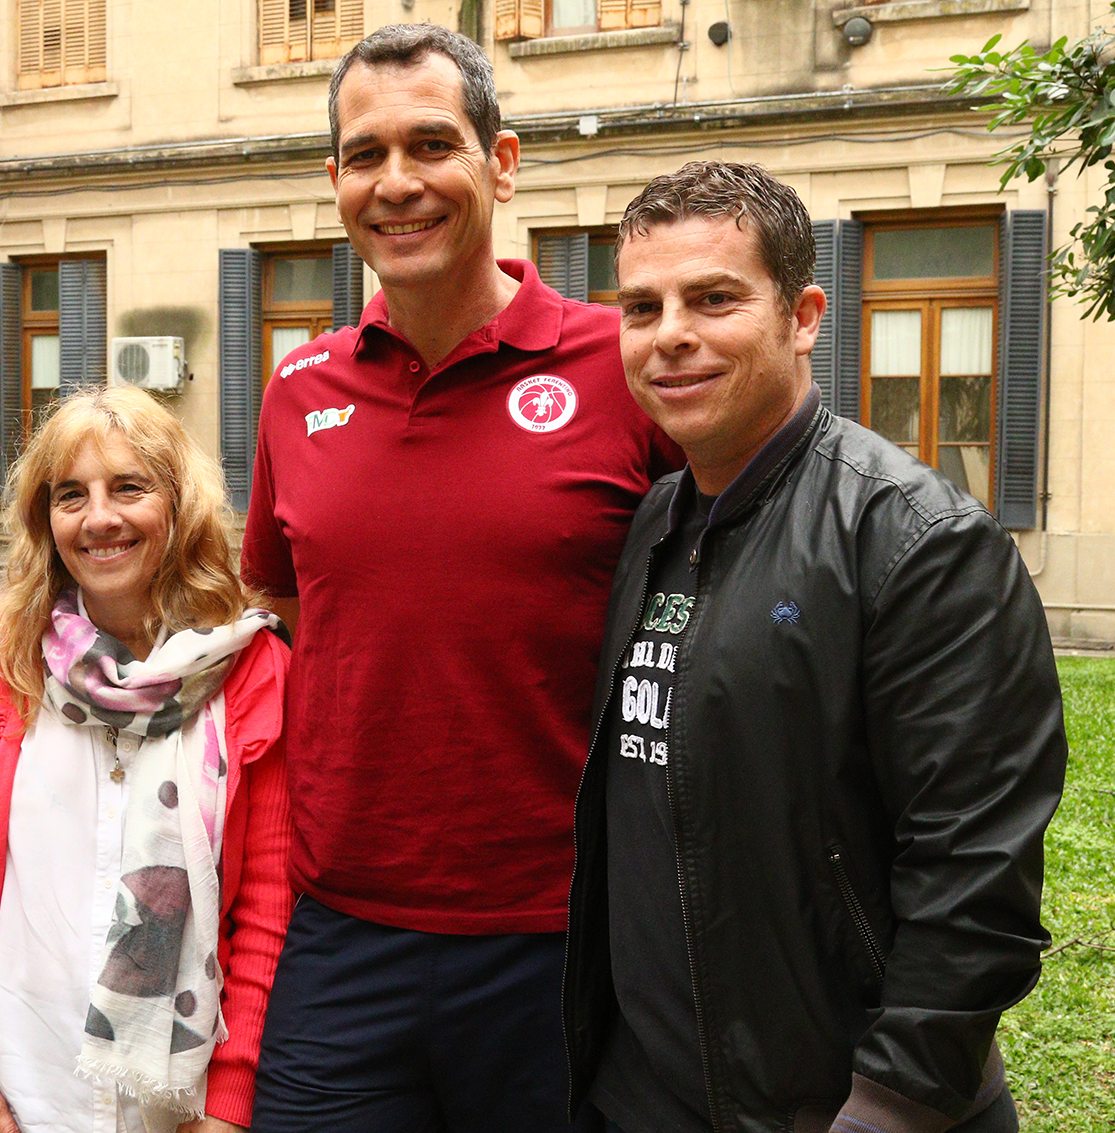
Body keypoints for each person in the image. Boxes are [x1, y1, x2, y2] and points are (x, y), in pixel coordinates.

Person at [239, 23, 681, 1133]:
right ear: (332, 177)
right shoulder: (297, 388)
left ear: (501, 159)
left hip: (560, 930)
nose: (397, 183)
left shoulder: (616, 367)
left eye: (431, 144)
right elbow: (289, 605)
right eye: (364, 153)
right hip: (339, 928)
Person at [564, 161, 1067, 1133]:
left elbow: (974, 873)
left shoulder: (916, 540)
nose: (669, 333)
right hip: (642, 1094)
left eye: (711, 298)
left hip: (834, 1106)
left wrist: (882, 1109)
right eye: (640, 305)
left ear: (800, 315)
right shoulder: (655, 522)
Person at [0, 385, 294, 1133]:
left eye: (129, 487)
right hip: (24, 1083)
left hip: (178, 1104)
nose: (99, 518)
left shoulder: (251, 670)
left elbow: (269, 913)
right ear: (44, 519)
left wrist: (231, 1099)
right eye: (71, 495)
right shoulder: (1, 664)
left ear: (177, 505)